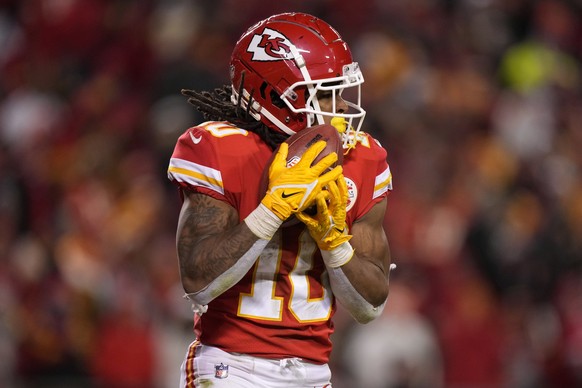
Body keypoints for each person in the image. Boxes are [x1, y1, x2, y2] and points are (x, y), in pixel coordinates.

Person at [167, 12, 395, 388]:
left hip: (314, 374)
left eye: (339, 91)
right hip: (231, 368)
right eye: (324, 93)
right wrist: (271, 210)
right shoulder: (222, 148)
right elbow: (198, 282)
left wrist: (335, 241)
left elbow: (370, 307)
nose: (338, 108)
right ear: (274, 97)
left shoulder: (361, 159)